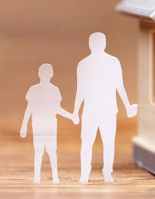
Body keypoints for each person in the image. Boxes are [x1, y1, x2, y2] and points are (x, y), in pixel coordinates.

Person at [73, 32, 138, 183]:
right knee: (105, 142)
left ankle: (91, 174)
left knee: (91, 142)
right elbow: (119, 87)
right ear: (104, 44)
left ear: (91, 44)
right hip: (102, 110)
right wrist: (127, 106)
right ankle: (99, 173)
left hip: (96, 110)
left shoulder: (85, 63)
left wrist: (76, 111)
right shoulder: (111, 62)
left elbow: (80, 91)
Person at [19, 63, 78, 183]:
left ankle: (49, 177)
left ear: (40, 74)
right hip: (43, 123)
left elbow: (55, 109)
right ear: (51, 74)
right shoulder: (49, 90)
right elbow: (31, 108)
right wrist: (23, 125)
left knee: (46, 151)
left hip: (45, 123)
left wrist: (72, 116)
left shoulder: (48, 90)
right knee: (44, 151)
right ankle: (43, 177)